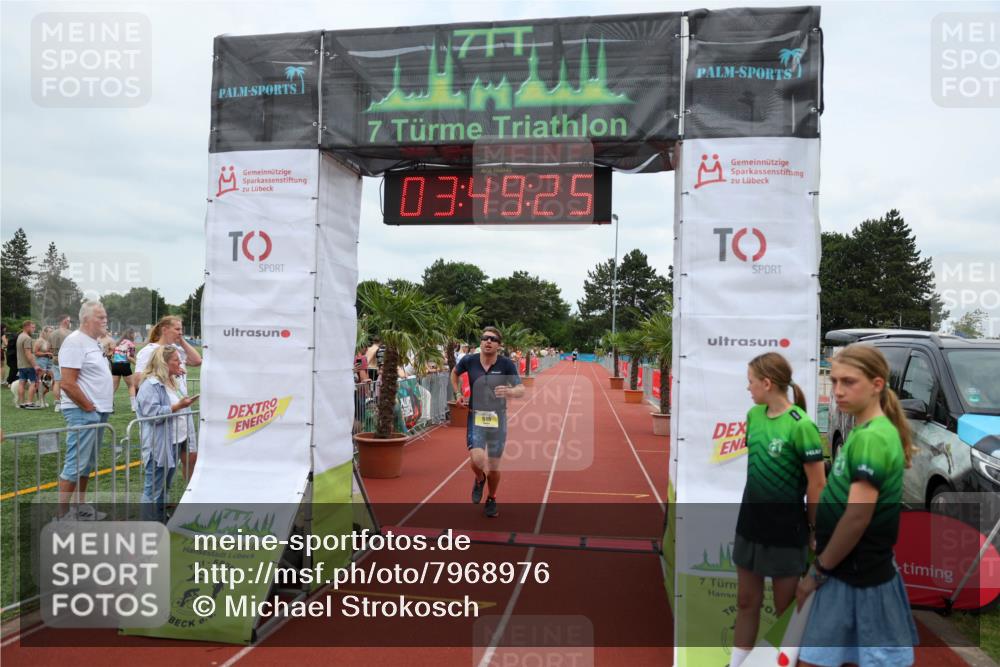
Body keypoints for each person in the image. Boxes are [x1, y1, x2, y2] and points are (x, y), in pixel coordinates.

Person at [796, 344, 919, 667]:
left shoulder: (872, 438)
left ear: (877, 384)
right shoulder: (864, 431)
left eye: (848, 382)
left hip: (858, 575)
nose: (837, 391)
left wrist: (817, 572)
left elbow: (857, 516)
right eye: (834, 381)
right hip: (852, 571)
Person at [729, 352, 826, 667]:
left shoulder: (801, 425)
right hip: (750, 525)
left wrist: (814, 529)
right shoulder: (754, 416)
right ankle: (738, 663)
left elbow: (817, 484)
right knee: (746, 602)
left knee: (786, 611)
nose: (749, 389)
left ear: (767, 383)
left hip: (786, 531)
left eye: (751, 383)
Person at [450, 326, 525, 518]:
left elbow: (521, 389)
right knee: (476, 459)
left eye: (492, 339)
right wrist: (457, 393)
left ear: (499, 345)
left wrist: (510, 392)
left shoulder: (506, 364)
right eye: (485, 338)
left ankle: (491, 498)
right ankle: (479, 478)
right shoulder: (470, 360)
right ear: (481, 342)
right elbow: (454, 373)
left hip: (497, 418)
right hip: (476, 416)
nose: (488, 341)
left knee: (493, 466)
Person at [57, 301, 114, 521]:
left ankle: (80, 507)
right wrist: (89, 407)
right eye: (100, 317)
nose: (105, 320)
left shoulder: (93, 342)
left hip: (96, 412)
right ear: (86, 319)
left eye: (105, 316)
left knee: (86, 463)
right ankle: (61, 517)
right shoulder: (75, 342)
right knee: (75, 463)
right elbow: (68, 383)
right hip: (84, 411)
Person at [135, 316, 203, 479]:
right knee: (164, 461)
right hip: (166, 409)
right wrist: (167, 373)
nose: (180, 333)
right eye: (177, 329)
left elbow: (197, 360)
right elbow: (138, 380)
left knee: (191, 455)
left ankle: (188, 495)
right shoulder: (149, 350)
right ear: (164, 329)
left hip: (183, 407)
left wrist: (182, 342)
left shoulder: (176, 349)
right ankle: (161, 500)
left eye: (182, 330)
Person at [136, 346, 198, 523]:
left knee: (164, 487)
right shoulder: (150, 385)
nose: (180, 363)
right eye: (176, 360)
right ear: (164, 363)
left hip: (177, 440)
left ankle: (160, 519)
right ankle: (148, 525)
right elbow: (152, 414)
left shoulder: (173, 381)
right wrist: (178, 406)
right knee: (154, 488)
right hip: (160, 443)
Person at [48, 315, 72, 411]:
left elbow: (48, 348)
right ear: (65, 321)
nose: (70, 323)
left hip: (55, 359)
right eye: (69, 321)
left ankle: (58, 404)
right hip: (67, 360)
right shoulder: (70, 333)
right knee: (68, 381)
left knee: (57, 382)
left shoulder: (52, 333)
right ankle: (67, 402)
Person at [15, 320, 41, 409]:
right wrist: (35, 365)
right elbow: (28, 354)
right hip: (28, 365)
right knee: (33, 383)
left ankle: (22, 403)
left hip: (21, 365)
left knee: (21, 383)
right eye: (32, 327)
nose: (34, 329)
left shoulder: (20, 336)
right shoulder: (27, 338)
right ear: (27, 327)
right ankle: (29, 402)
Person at [111, 329, 138, 410]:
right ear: (131, 334)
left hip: (115, 365)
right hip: (124, 365)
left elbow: (113, 355)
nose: (136, 335)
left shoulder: (118, 343)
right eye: (135, 334)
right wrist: (138, 364)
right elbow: (129, 357)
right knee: (131, 385)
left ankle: (109, 405)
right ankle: (134, 406)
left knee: (114, 387)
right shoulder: (130, 344)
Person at [33, 326, 56, 407]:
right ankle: (40, 400)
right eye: (50, 332)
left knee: (51, 381)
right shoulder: (39, 341)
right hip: (41, 361)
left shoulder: (49, 341)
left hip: (49, 362)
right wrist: (46, 354)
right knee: (40, 382)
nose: (52, 333)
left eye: (52, 332)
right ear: (45, 332)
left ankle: (45, 399)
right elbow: (35, 352)